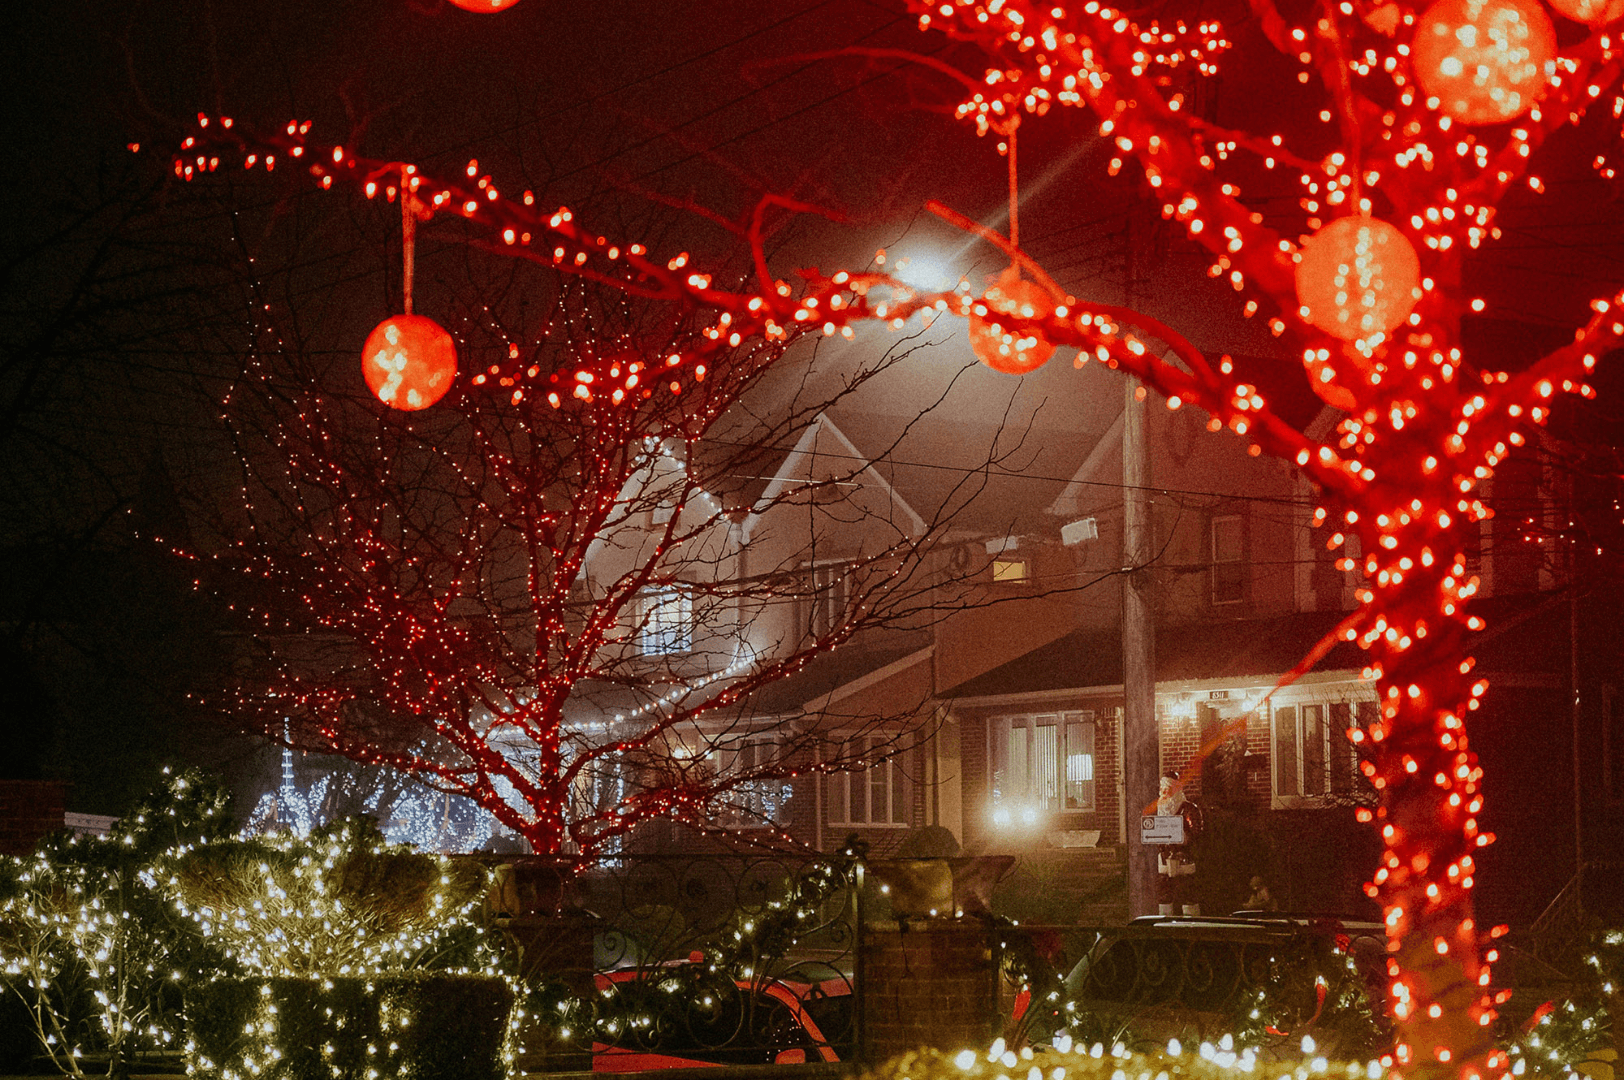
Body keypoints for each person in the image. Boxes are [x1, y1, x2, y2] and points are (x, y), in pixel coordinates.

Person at [1155, 770, 1203, 916]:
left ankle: (1191, 920)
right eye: (1162, 788)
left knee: (1186, 890)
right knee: (1164, 891)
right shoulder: (1160, 809)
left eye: (1167, 788)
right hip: (1165, 857)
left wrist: (1183, 838)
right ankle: (1165, 919)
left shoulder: (1188, 809)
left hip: (1184, 857)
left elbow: (1197, 832)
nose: (1163, 791)